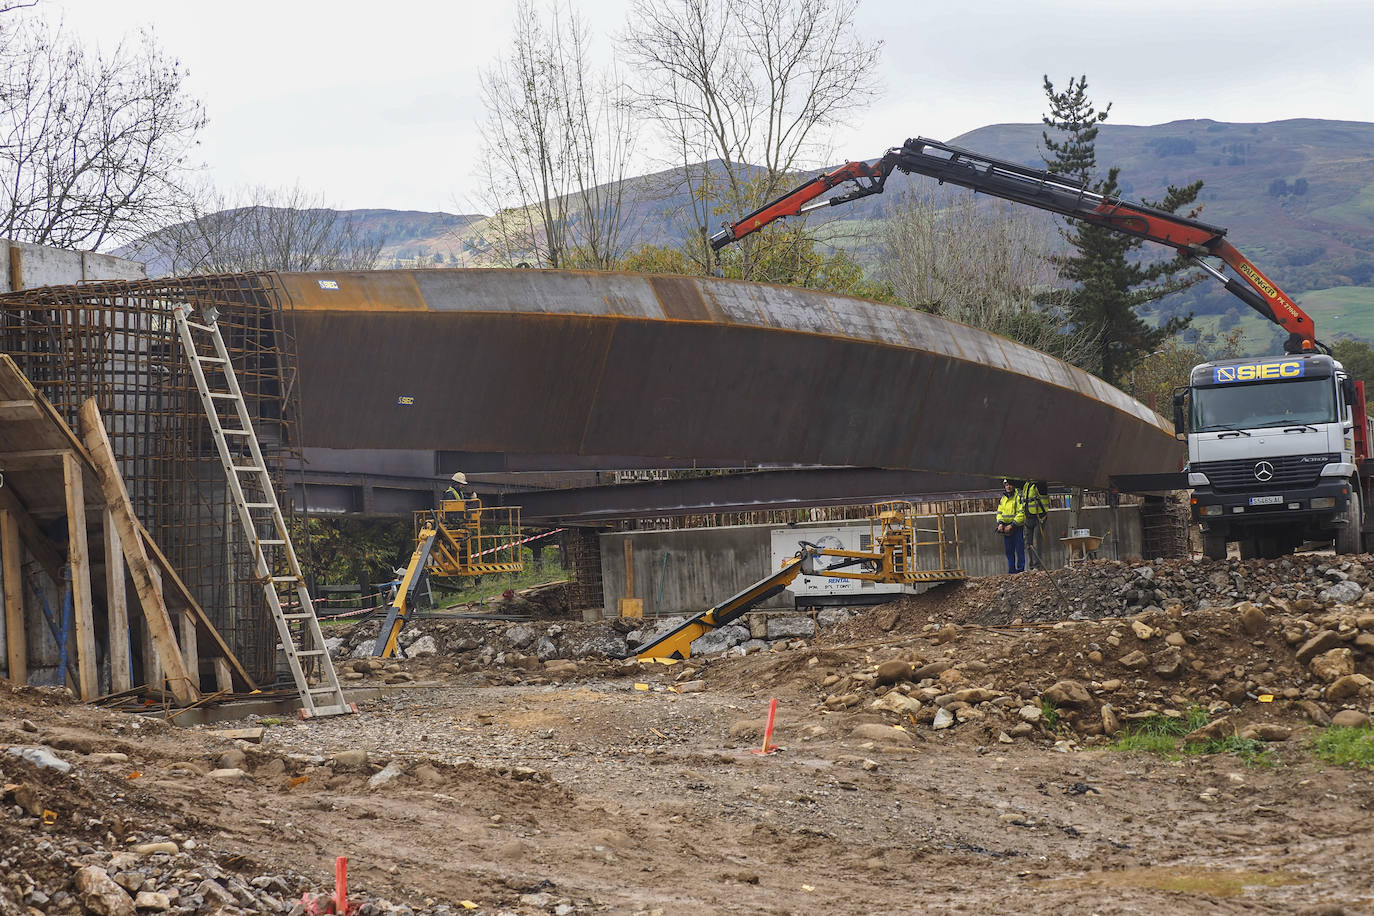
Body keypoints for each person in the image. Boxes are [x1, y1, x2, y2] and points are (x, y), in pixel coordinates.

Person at [996, 478, 1026, 574]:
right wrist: (1000, 523)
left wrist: (1012, 525)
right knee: (1009, 551)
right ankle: (1012, 571)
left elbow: (1022, 513)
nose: (1008, 487)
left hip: (1016, 527)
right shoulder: (1003, 498)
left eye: (1009, 485)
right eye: (1006, 485)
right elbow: (999, 512)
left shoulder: (1019, 497)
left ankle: (1020, 570)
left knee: (1019, 549)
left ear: (1013, 485)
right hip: (1006, 528)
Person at [1020, 478, 1050, 570]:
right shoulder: (1027, 485)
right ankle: (1032, 566)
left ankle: (1037, 565)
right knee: (1028, 543)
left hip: (1039, 517)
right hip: (1029, 517)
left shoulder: (1040, 485)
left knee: (1037, 542)